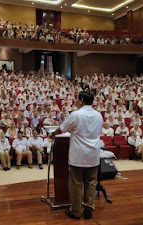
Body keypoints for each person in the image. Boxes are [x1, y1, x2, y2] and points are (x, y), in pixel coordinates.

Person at [51, 91, 103, 220]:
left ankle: (75, 210)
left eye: (76, 99)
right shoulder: (98, 115)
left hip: (79, 154)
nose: (75, 101)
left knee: (76, 182)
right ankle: (88, 209)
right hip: (93, 153)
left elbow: (62, 129)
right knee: (91, 182)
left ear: (81, 100)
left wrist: (53, 134)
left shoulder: (76, 115)